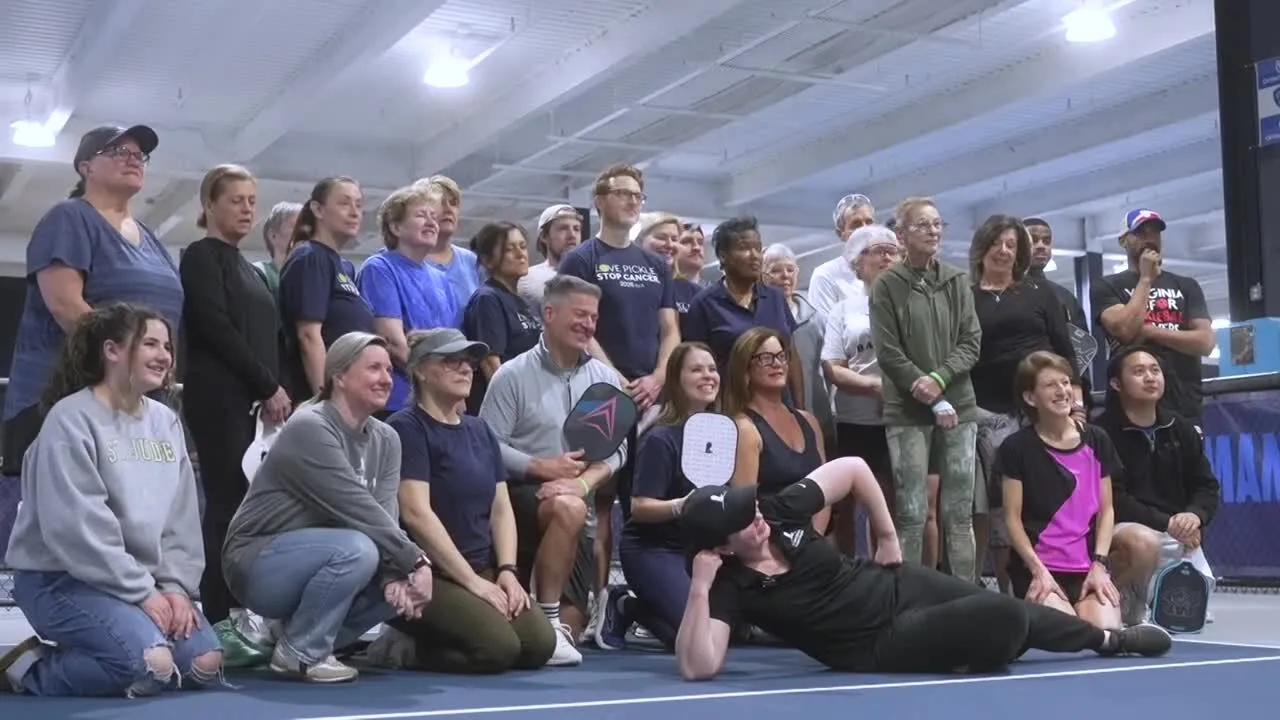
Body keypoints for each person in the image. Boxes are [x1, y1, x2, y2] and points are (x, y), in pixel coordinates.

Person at [673, 457, 1172, 681]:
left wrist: (887, 535)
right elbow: (698, 667)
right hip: (876, 642)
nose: (756, 517)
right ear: (721, 545)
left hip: (895, 583)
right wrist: (699, 587)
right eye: (743, 520)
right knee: (1005, 618)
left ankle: (1109, 642)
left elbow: (852, 468)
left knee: (997, 614)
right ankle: (976, 645)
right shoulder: (731, 586)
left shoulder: (778, 510)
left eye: (750, 507)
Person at [0, 303, 221, 697]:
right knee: (152, 665)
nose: (164, 356)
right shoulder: (71, 421)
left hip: (141, 580)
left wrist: (174, 588)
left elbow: (180, 519)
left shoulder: (166, 421)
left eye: (167, 347)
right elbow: (79, 532)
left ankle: (109, 636)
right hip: (61, 579)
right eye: (150, 343)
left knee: (204, 664)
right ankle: (30, 668)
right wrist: (143, 593)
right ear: (112, 351)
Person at [221, 332, 432, 683]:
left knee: (397, 579)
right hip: (257, 558)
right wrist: (416, 558)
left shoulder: (387, 438)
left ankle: (286, 635)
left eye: (388, 369)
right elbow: (356, 507)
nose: (385, 378)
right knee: (361, 549)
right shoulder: (310, 426)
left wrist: (399, 572)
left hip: (328, 552)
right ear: (339, 377)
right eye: (373, 368)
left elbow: (383, 515)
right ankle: (301, 652)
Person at [2, 124, 183, 483]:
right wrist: (128, 360)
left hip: (135, 401)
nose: (133, 160)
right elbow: (66, 306)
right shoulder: (68, 218)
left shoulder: (150, 238)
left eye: (139, 155)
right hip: (64, 400)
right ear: (85, 167)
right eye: (118, 152)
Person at [368, 329, 555, 673]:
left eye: (468, 362)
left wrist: (508, 572)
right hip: (428, 573)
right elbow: (416, 513)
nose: (466, 369)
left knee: (539, 645)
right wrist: (473, 583)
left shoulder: (479, 430)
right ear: (421, 370)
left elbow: (501, 508)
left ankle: (445, 630)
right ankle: (403, 648)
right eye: (451, 361)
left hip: (480, 567)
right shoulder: (407, 427)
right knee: (498, 650)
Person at [477, 274, 629, 666]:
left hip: (573, 505)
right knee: (567, 507)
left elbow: (617, 451)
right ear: (549, 313)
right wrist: (540, 467)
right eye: (580, 314)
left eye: (593, 317)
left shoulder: (604, 378)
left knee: (573, 629)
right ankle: (546, 617)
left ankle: (556, 623)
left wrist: (581, 483)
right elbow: (485, 444)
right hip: (518, 501)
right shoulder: (512, 375)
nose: (588, 325)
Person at [178, 165, 292, 661]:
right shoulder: (201, 257)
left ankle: (248, 614)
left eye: (252, 200)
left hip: (257, 404)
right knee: (225, 507)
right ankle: (219, 619)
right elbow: (214, 327)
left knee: (249, 510)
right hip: (224, 398)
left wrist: (275, 389)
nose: (247, 208)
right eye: (235, 200)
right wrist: (266, 384)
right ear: (209, 204)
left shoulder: (247, 268)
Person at [869, 197, 981, 581]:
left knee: (959, 512)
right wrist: (925, 389)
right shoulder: (886, 285)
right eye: (923, 225)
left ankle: (966, 599)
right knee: (912, 512)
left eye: (937, 224)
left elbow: (971, 341)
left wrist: (939, 380)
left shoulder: (955, 280)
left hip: (960, 406)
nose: (933, 231)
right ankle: (907, 600)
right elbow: (888, 351)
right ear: (901, 234)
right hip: (907, 410)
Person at [968, 215, 1078, 590]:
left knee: (1050, 495)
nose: (1003, 250)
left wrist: (1074, 400)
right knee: (1001, 507)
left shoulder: (1039, 293)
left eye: (1011, 245)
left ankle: (1060, 577)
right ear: (982, 247)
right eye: (997, 242)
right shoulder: (965, 297)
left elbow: (1065, 350)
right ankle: (1007, 588)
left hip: (1040, 411)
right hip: (988, 413)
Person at [996, 352, 1122, 629]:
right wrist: (1038, 571)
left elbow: (1107, 509)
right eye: (1051, 385)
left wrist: (1099, 566)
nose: (1062, 390)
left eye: (1066, 382)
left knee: (1106, 632)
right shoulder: (1015, 448)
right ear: (1031, 398)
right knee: (1068, 635)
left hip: (1087, 568)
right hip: (1040, 570)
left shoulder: (1097, 440)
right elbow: (1012, 520)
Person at [1096, 347, 1220, 625]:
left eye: (1155, 370)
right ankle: (1115, 597)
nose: (1150, 377)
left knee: (1187, 615)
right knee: (1144, 544)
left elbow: (1206, 485)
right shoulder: (1100, 433)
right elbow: (1115, 499)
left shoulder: (1182, 428)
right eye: (1138, 372)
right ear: (1116, 384)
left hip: (1176, 532)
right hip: (1124, 531)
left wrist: (1194, 516)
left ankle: (1160, 593)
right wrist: (1168, 522)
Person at [608, 342, 720, 651]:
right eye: (696, 369)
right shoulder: (660, 438)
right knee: (695, 639)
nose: (708, 376)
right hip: (652, 548)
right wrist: (682, 506)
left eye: (712, 369)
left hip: (696, 550)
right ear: (676, 380)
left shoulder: (722, 432)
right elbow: (639, 508)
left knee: (728, 630)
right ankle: (625, 605)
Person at [1091, 209, 1215, 426]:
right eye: (1140, 233)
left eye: (1155, 233)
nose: (1149, 239)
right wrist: (1146, 279)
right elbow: (1125, 330)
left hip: (1183, 402)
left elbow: (1205, 343)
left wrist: (1150, 331)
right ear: (1123, 241)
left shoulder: (1186, 285)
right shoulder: (1107, 286)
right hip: (1129, 406)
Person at [357, 185, 459, 414]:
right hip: (399, 403)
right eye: (421, 215)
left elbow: (452, 343)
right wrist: (437, 384)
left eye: (434, 216)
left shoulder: (442, 279)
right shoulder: (380, 268)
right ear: (395, 227)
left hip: (439, 400)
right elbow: (392, 341)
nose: (432, 222)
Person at [683, 218, 802, 404]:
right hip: (731, 409)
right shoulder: (704, 304)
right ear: (723, 256)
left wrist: (799, 409)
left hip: (779, 406)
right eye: (745, 248)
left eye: (758, 247)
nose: (755, 255)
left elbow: (792, 358)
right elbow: (694, 366)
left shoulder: (775, 298)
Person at [278, 176, 374, 402]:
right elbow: (309, 336)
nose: (354, 212)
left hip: (352, 392)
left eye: (358, 205)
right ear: (318, 209)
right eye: (344, 203)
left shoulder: (344, 267)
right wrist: (326, 401)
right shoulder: (310, 257)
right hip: (323, 398)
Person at [721, 329, 825, 530]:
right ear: (746, 369)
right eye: (765, 358)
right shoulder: (745, 429)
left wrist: (815, 540)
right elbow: (745, 510)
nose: (777, 363)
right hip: (770, 540)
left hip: (814, 540)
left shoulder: (810, 421)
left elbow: (826, 489)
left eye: (781, 356)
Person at [462, 222, 543, 414]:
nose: (520, 254)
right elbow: (491, 363)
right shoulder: (488, 299)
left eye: (522, 247)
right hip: (507, 408)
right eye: (509, 249)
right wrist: (516, 409)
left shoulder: (519, 301)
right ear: (488, 260)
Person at [807, 194, 876, 316]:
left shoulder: (888, 269)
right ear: (840, 233)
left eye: (869, 222)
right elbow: (824, 330)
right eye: (856, 225)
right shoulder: (825, 276)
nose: (865, 229)